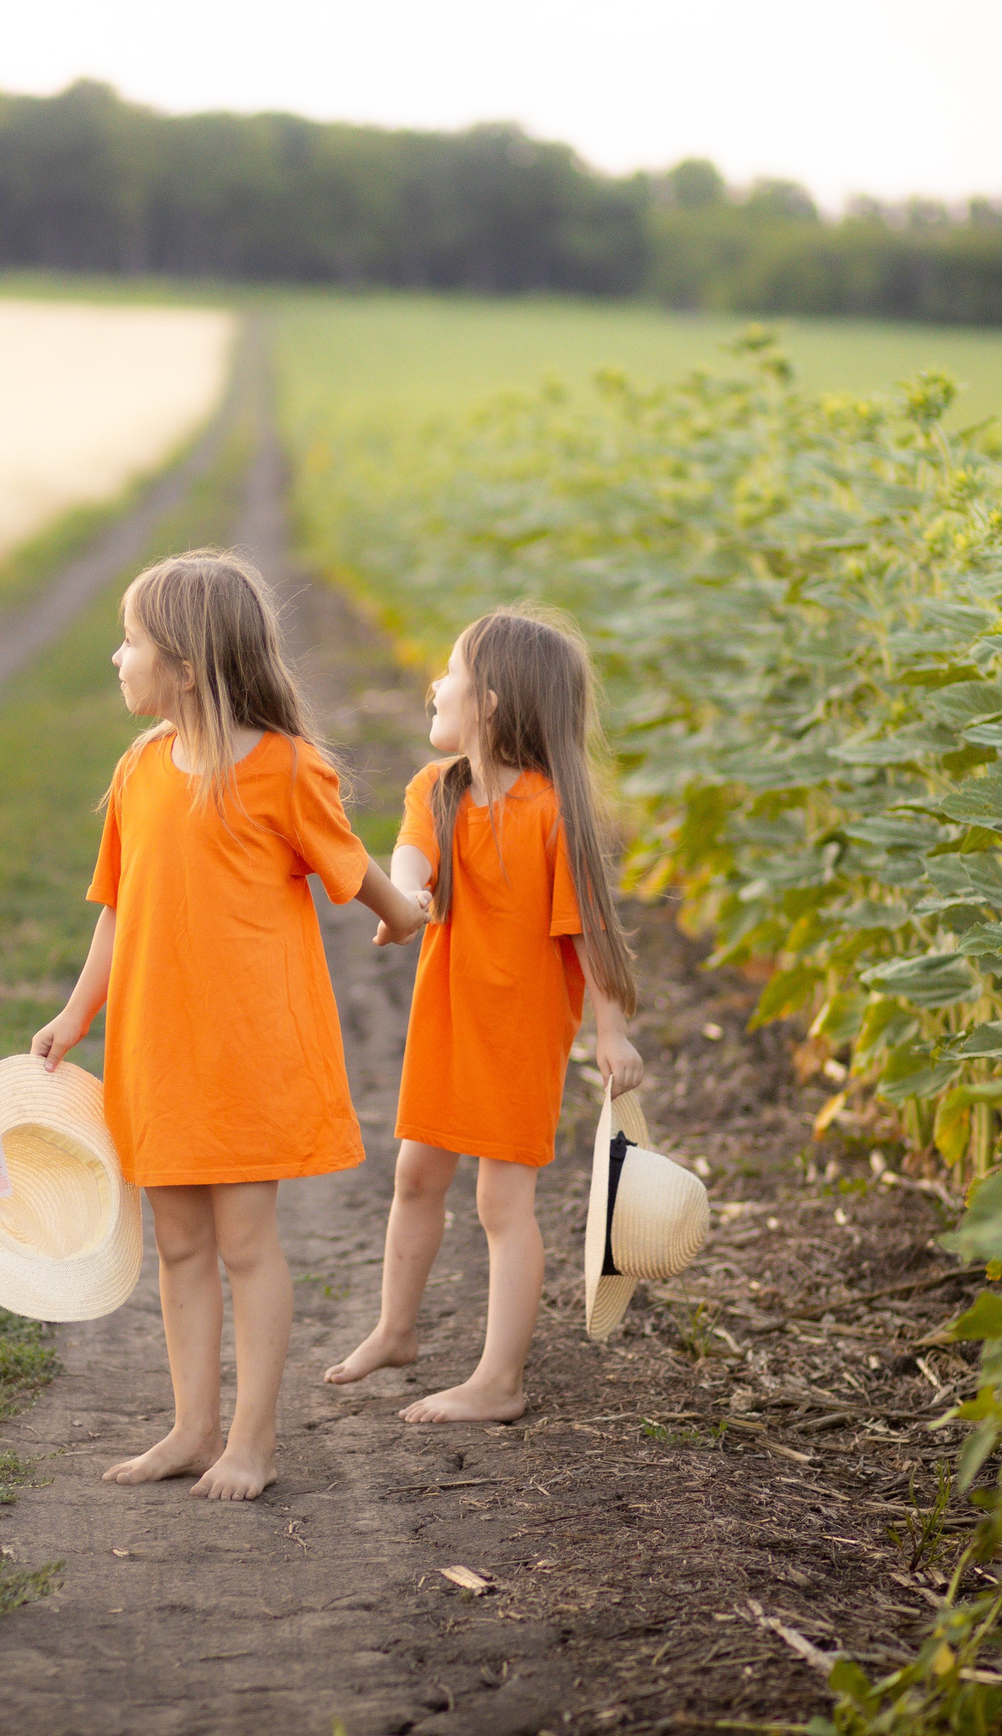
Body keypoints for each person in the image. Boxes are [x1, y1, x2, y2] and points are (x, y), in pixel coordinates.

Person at [33, 549, 424, 1501]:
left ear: (188, 664)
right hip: (159, 1048)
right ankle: (191, 1428)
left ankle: (252, 1442)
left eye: (130, 643)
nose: (116, 660)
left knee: (247, 1242)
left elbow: (355, 872)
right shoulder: (139, 769)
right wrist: (78, 1010)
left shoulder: (285, 770)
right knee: (177, 1244)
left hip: (250, 1051)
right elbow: (117, 909)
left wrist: (402, 910)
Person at [326, 606, 643, 1422]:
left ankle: (500, 1381)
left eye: (451, 671)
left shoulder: (551, 812)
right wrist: (408, 894)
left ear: (491, 702)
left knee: (501, 1204)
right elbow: (410, 853)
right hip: (447, 1018)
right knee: (415, 1174)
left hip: (518, 1032)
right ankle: (396, 1329)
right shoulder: (436, 788)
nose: (435, 683)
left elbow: (590, 931)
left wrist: (611, 1032)